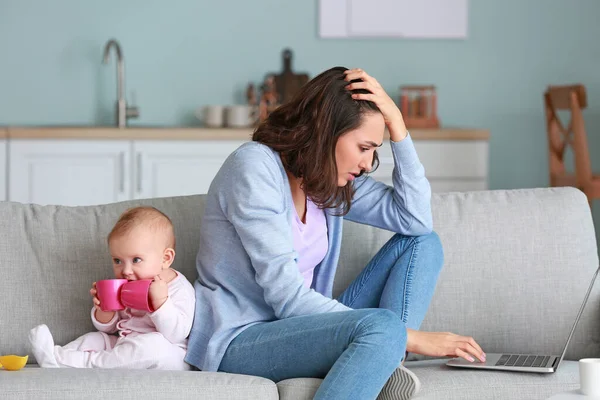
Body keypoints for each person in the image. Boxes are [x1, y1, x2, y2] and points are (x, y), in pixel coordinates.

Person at [185, 67, 485, 399]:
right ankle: (383, 352)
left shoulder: (325, 182)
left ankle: (382, 359)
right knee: (384, 328)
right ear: (327, 132)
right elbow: (287, 298)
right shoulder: (254, 167)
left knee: (423, 244)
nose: (368, 163)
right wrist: (410, 336)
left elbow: (415, 220)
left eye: (375, 151)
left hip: (305, 331)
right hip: (241, 340)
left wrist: (398, 124)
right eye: (363, 147)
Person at [29, 206, 195, 370]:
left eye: (136, 260)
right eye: (118, 261)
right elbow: (110, 328)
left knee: (152, 346)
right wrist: (104, 311)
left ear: (165, 258)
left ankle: (80, 362)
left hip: (166, 353)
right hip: (124, 344)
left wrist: (160, 302)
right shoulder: (125, 284)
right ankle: (56, 356)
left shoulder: (178, 288)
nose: (126, 271)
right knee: (96, 338)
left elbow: (176, 334)